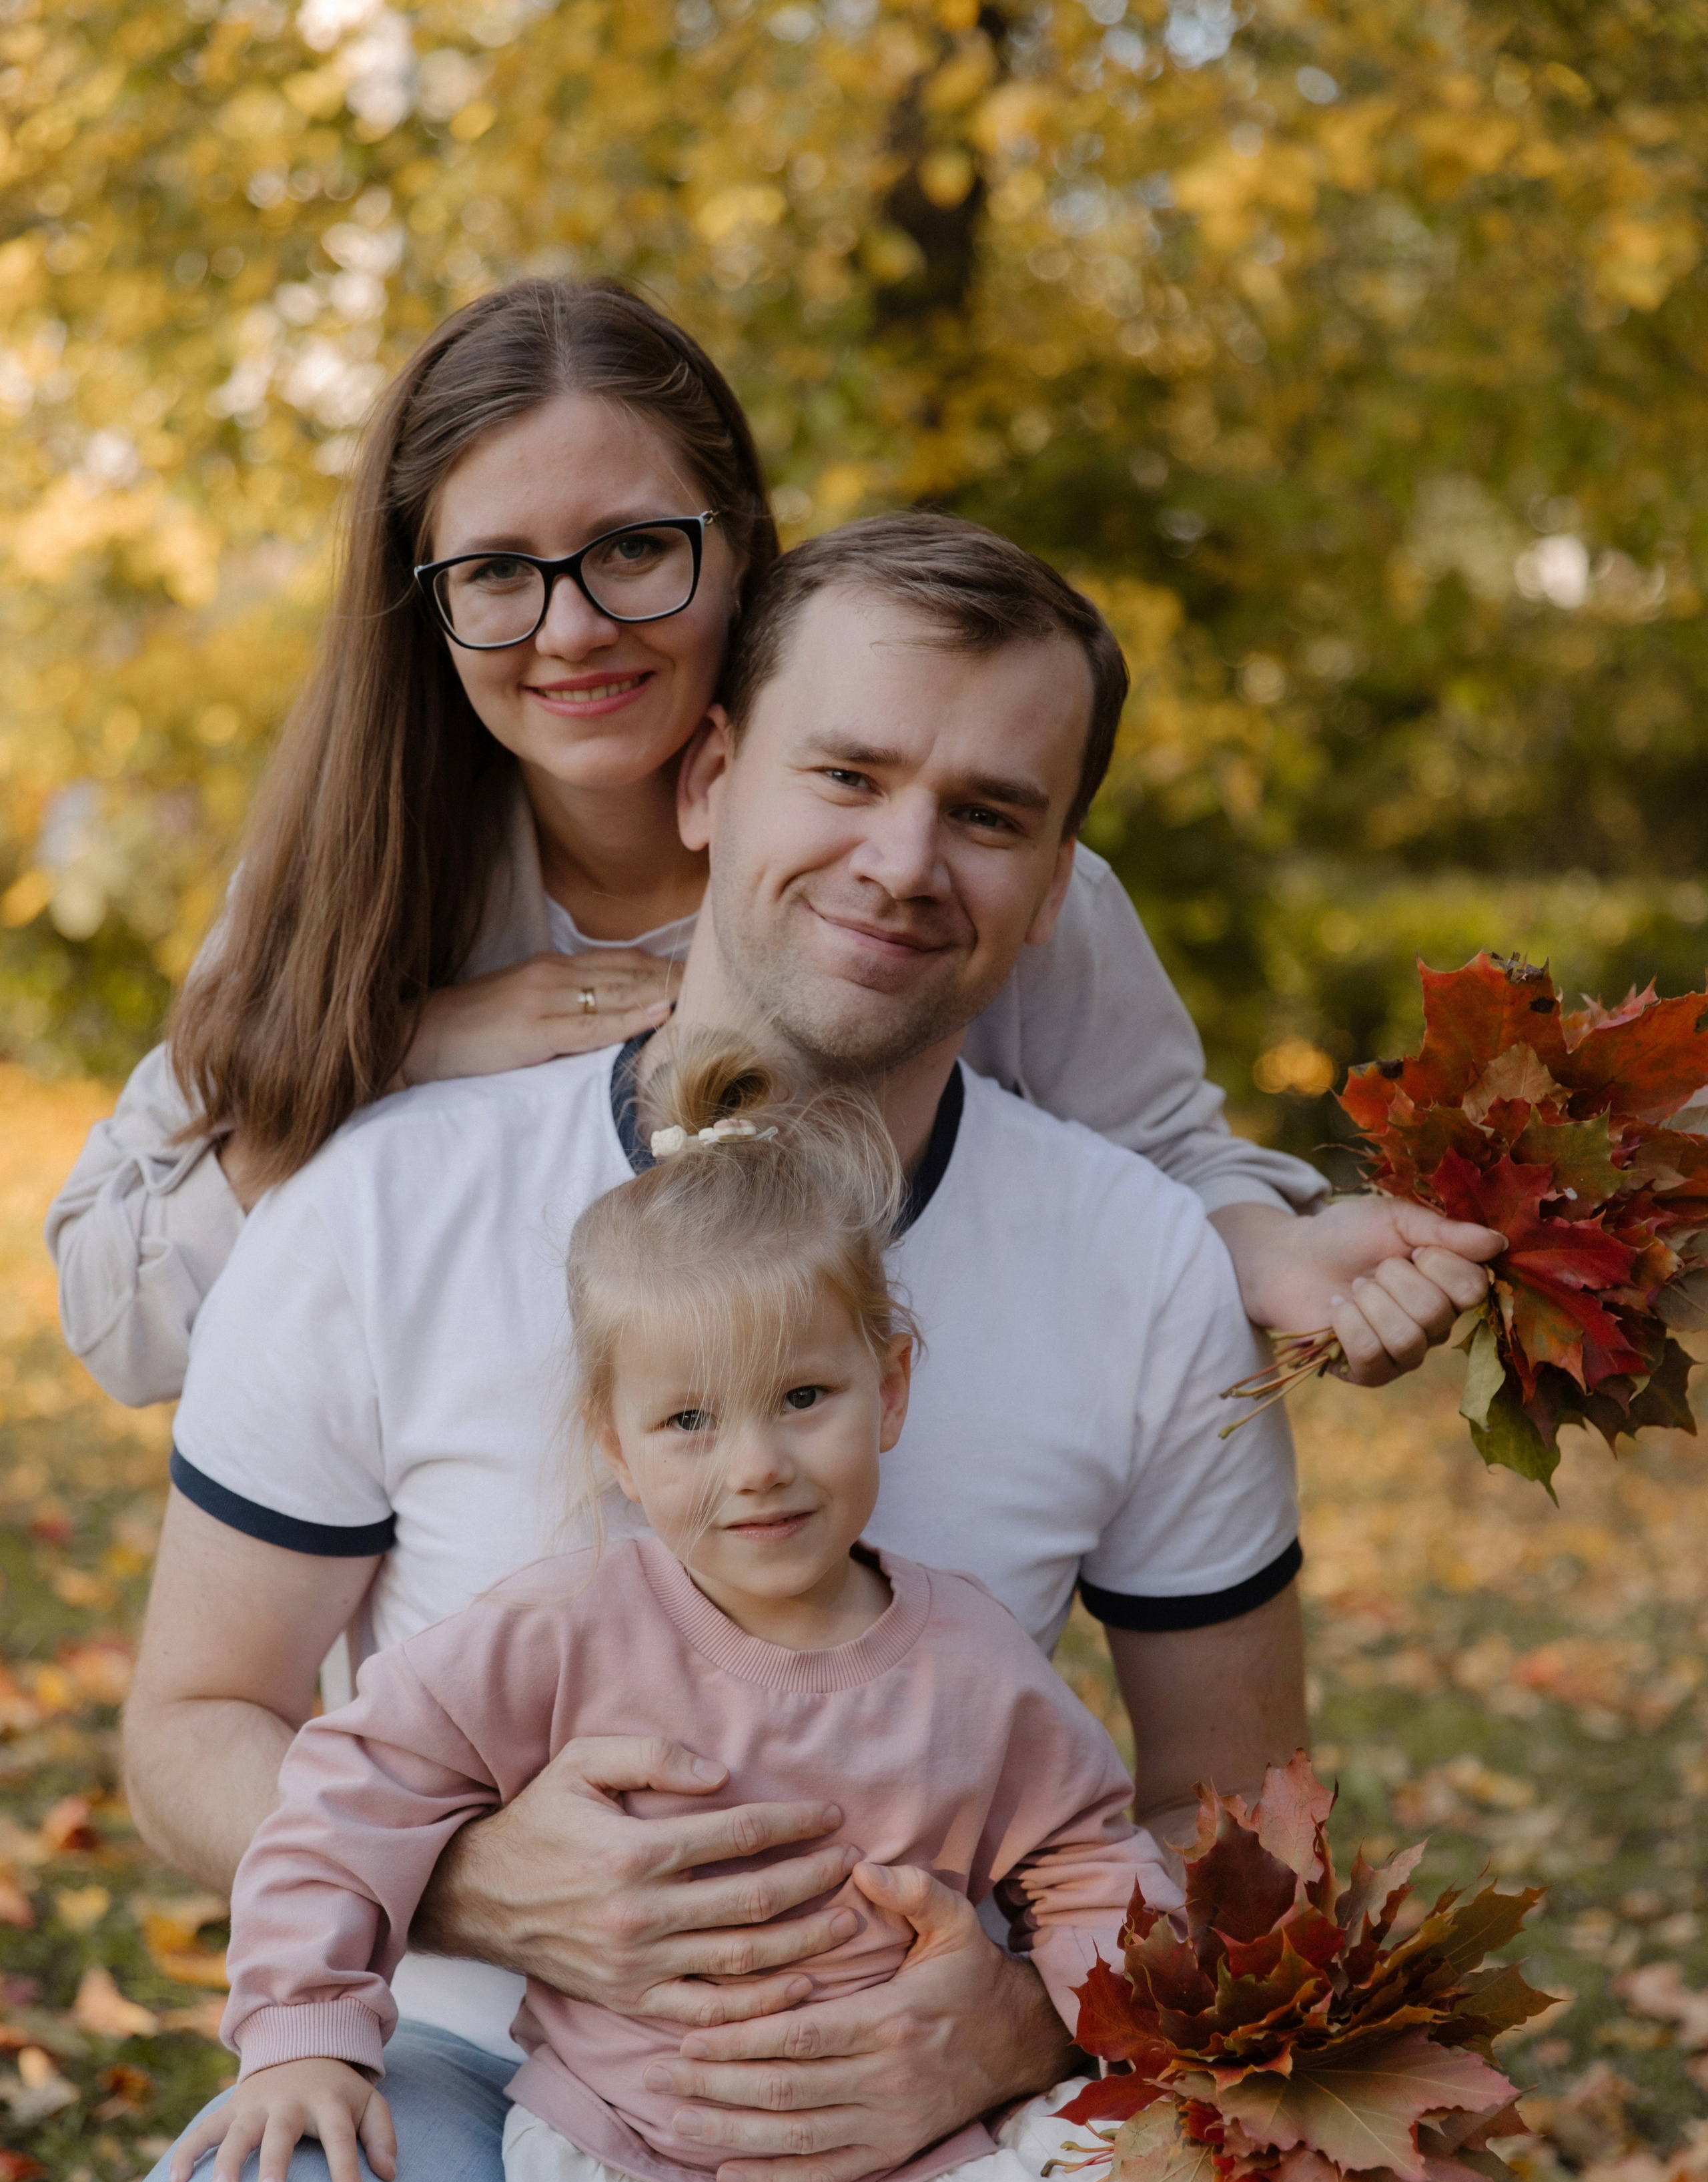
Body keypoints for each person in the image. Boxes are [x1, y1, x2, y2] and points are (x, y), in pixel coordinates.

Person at [43, 515, 1530, 2182]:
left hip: (962, 2125)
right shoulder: (388, 1207)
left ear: (1051, 884)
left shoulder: (1139, 1265)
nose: (908, 861)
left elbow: (1229, 1805)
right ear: (717, 772)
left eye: (990, 812)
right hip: (470, 2088)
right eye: (851, 774)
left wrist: (1034, 2020)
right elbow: (195, 1719)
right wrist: (486, 1889)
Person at [44, 274, 1490, 1415]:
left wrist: (1272, 1252)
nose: (570, 630)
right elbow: (121, 1318)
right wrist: (404, 1046)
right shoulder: (349, 886)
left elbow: (1162, 1157)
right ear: (421, 599)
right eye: (495, 572)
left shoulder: (934, 882)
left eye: (630, 550)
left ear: (739, 545)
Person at [167, 1032, 1183, 2182]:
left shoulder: (966, 1661)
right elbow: (350, 1785)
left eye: (802, 1396)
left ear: (889, 1386)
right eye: (689, 1423)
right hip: (635, 2177)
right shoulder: (562, 1634)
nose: (756, 1466)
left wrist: (1102, 2029)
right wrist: (302, 2025)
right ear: (611, 1442)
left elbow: (1090, 1852)